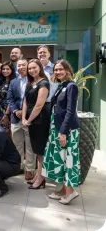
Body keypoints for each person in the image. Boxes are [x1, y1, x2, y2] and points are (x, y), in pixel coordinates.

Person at [42, 60, 81, 204]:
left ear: (68, 70)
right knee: (61, 159)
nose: (58, 72)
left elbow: (71, 111)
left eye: (60, 69)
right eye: (56, 70)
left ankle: (70, 192)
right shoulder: (62, 85)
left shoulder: (71, 86)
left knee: (67, 160)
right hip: (57, 128)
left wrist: (63, 132)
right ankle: (63, 190)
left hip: (67, 130)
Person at [23, 59, 51, 189]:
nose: (32, 70)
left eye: (34, 68)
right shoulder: (30, 83)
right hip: (30, 120)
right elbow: (25, 102)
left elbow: (39, 105)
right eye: (29, 69)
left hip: (39, 120)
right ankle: (38, 176)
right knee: (36, 150)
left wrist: (29, 120)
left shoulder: (44, 83)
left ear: (40, 67)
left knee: (40, 151)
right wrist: (24, 118)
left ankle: (40, 178)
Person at [7, 59, 36, 181]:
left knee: (29, 145)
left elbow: (36, 101)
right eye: (19, 65)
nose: (21, 67)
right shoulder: (13, 82)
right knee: (16, 144)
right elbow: (10, 99)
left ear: (27, 66)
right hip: (16, 118)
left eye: (24, 65)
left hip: (30, 118)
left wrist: (25, 113)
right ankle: (18, 166)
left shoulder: (34, 81)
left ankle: (29, 169)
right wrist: (15, 111)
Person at [0, 61, 17, 132]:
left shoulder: (14, 81)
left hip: (9, 110)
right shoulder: (1, 80)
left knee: (8, 131)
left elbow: (12, 99)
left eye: (8, 69)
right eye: (3, 69)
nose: (5, 71)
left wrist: (6, 114)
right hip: (0, 109)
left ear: (12, 70)